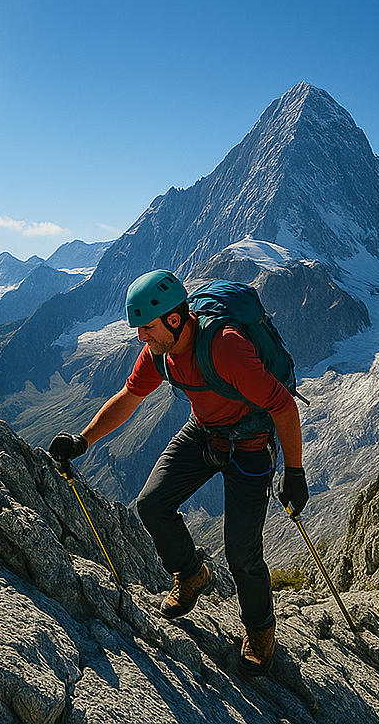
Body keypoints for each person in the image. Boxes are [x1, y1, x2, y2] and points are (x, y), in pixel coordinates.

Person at [49, 269, 308, 677]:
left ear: (174, 319)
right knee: (152, 504)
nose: (141, 337)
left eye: (147, 328)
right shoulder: (159, 352)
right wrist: (84, 441)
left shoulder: (225, 347)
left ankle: (260, 630)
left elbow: (282, 406)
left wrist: (294, 472)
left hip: (250, 443)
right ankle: (191, 574)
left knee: (242, 554)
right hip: (205, 433)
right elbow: (129, 396)